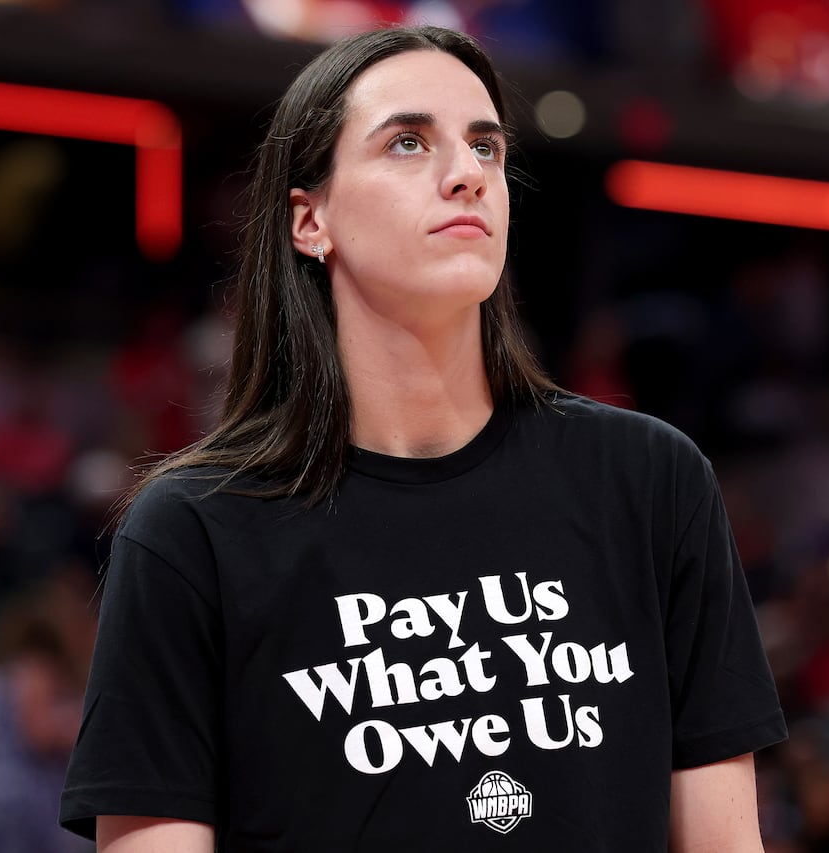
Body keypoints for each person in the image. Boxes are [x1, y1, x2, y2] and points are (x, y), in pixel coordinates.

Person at [59, 24, 787, 852]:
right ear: (311, 221)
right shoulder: (193, 532)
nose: (466, 173)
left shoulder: (651, 480)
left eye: (486, 147)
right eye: (408, 142)